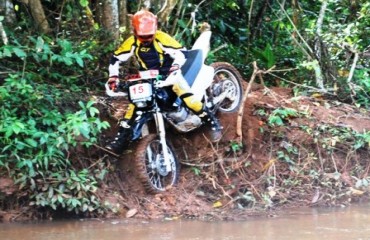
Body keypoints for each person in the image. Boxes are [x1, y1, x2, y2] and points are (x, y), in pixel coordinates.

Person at [106, 9, 222, 154]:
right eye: (143, 36)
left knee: (187, 97)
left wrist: (174, 67)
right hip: (147, 79)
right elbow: (115, 59)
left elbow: (181, 54)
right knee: (134, 106)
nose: (146, 39)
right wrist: (113, 77)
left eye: (149, 35)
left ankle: (212, 122)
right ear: (135, 31)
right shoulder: (132, 42)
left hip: (169, 75)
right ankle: (120, 140)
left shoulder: (162, 38)